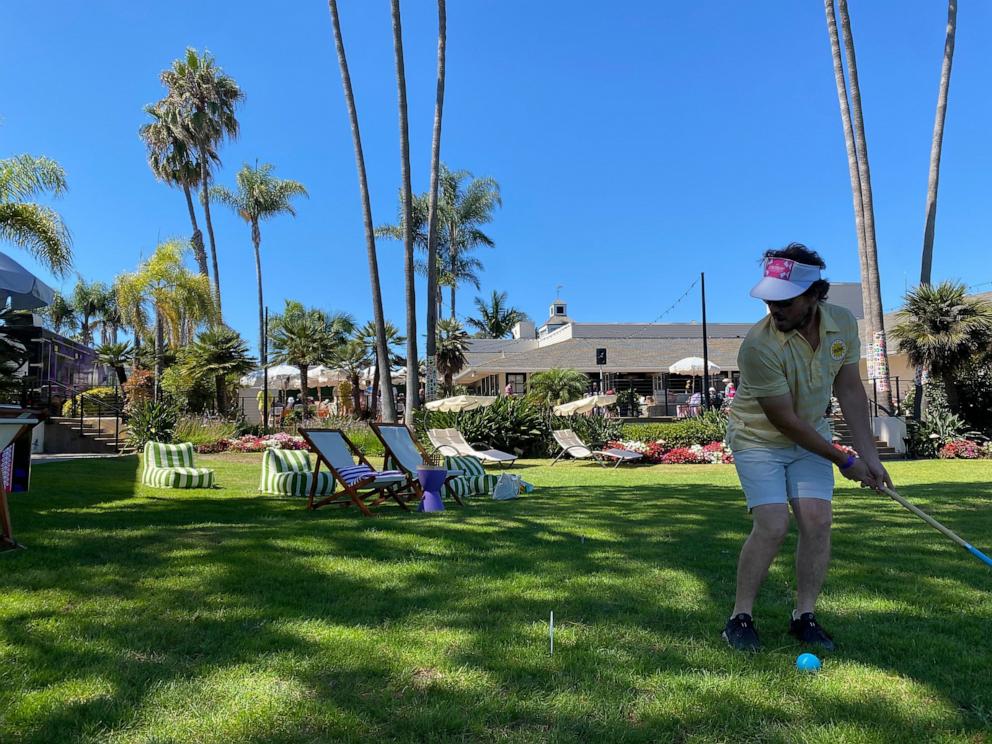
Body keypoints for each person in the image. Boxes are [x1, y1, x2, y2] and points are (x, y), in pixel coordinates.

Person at [722, 243, 892, 654]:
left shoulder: (842, 324)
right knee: (774, 523)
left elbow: (849, 389)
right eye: (769, 300)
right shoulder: (758, 347)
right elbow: (784, 421)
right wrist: (843, 459)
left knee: (817, 521)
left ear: (815, 295)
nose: (775, 309)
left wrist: (869, 456)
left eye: (785, 300)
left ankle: (804, 616)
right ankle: (739, 617)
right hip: (758, 438)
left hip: (809, 434)